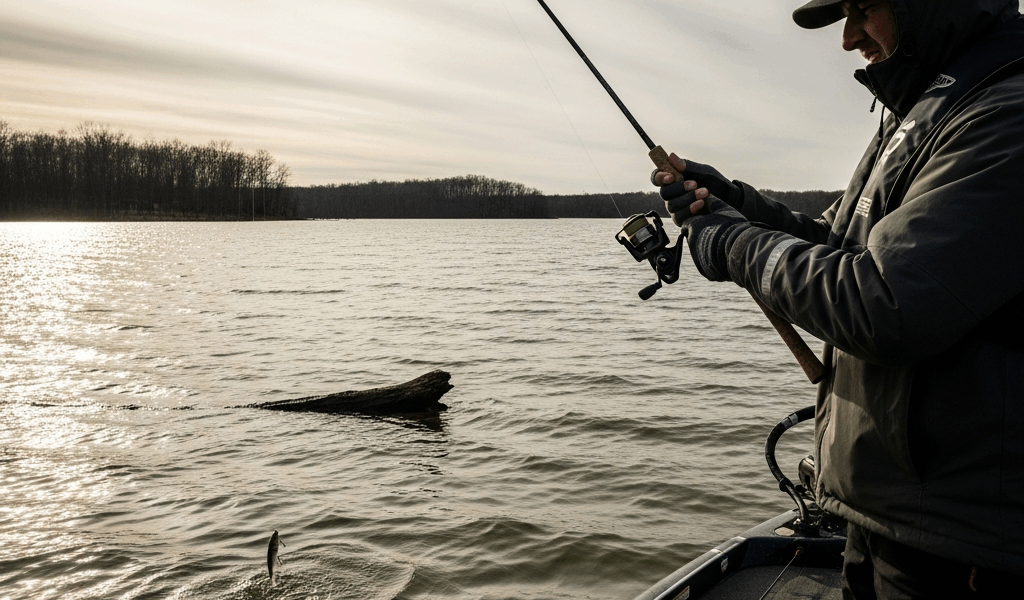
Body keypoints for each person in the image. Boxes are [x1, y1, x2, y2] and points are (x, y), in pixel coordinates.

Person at [652, 0, 1024, 597]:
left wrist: (735, 246)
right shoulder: (927, 110)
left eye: (863, 9)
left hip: (966, 546)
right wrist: (739, 207)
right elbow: (842, 246)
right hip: (886, 516)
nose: (848, 39)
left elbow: (886, 304)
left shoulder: (1005, 112)